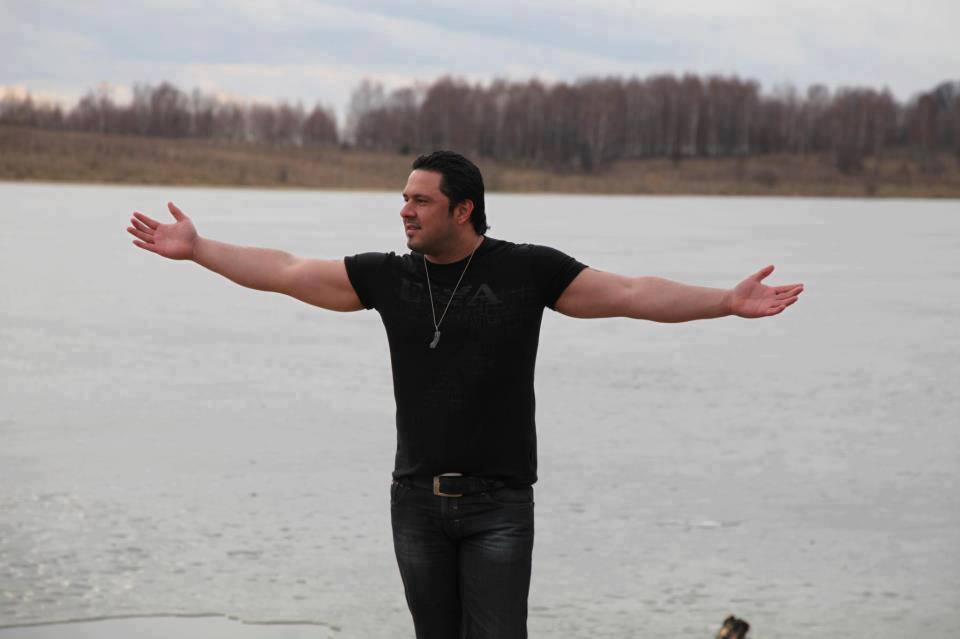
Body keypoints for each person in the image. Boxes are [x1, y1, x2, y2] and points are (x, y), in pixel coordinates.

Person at [127, 150, 804, 639]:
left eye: (420, 200)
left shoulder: (526, 271)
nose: (405, 210)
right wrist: (200, 248)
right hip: (415, 501)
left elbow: (630, 292)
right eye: (404, 198)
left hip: (498, 504)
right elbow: (285, 269)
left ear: (462, 208)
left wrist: (724, 301)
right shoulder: (389, 278)